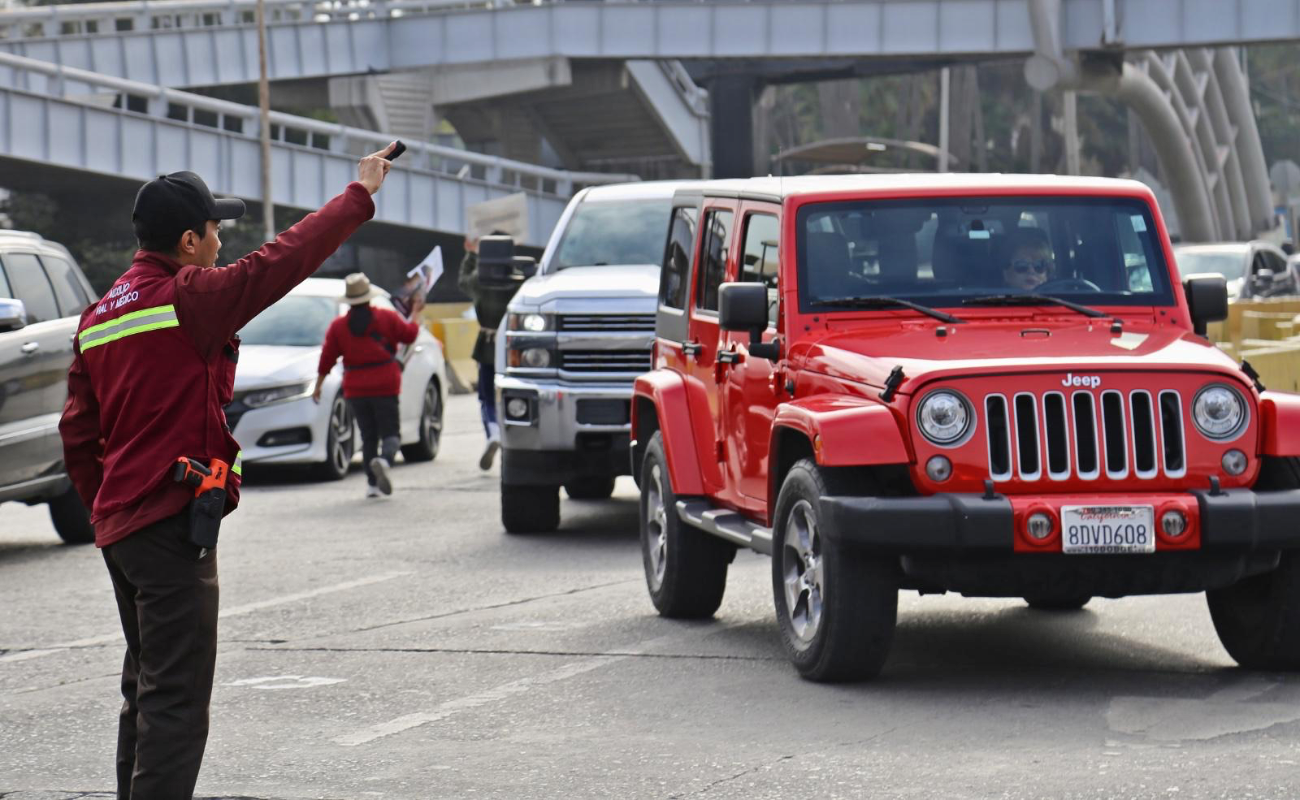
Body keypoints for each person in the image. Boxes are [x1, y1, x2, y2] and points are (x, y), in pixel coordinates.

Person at [59, 144, 397, 798]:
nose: (223, 242)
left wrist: (106, 510)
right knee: (177, 700)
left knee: (148, 688)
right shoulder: (190, 297)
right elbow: (282, 260)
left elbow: (78, 431)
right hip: (165, 524)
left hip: (123, 530)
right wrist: (360, 195)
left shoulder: (100, 314)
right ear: (188, 241)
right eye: (216, 230)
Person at [313, 273, 424, 497]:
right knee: (391, 433)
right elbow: (409, 335)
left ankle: (372, 485)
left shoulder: (338, 326)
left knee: (368, 436)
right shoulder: (386, 317)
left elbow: (327, 358)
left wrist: (319, 385)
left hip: (356, 389)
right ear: (369, 297)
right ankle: (384, 461)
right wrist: (416, 314)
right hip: (386, 383)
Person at [458, 234, 516, 471]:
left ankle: (492, 432)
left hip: (486, 344)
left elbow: (462, 281)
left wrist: (471, 254)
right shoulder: (516, 278)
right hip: (511, 346)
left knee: (486, 396)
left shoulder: (479, 279)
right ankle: (509, 440)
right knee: (511, 396)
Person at [1001, 227, 1055, 291]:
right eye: (1022, 265)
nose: (1031, 271)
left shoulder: (1061, 298)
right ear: (1006, 274)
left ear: (1047, 275)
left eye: (1039, 266)